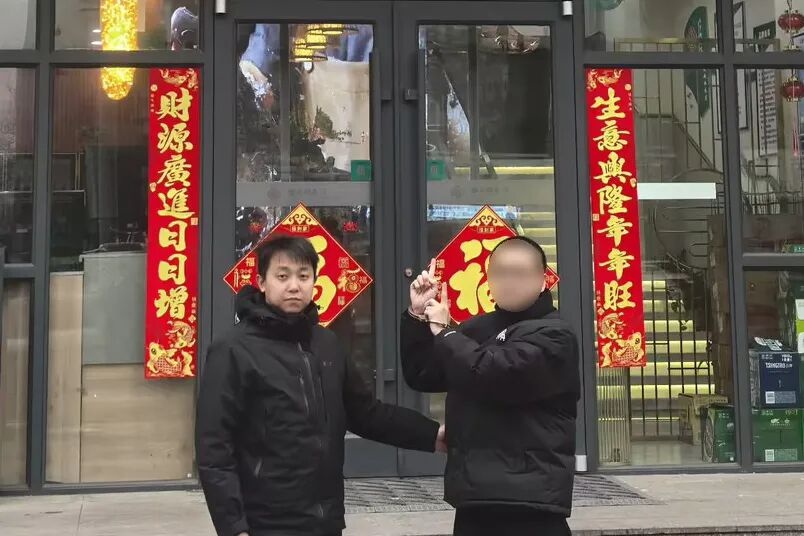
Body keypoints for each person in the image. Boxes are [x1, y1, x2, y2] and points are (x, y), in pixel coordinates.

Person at [197, 235, 445, 536]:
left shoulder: (326, 343)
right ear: (261, 282)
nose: (294, 286)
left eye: (303, 276)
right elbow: (215, 449)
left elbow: (366, 414)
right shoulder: (233, 349)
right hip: (264, 520)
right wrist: (234, 527)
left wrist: (434, 435)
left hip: (325, 518)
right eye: (282, 276)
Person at [400, 236, 580, 536]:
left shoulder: (555, 335)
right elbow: (423, 374)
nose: (509, 282)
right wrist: (417, 316)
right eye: (500, 273)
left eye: (520, 274)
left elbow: (496, 374)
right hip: (474, 494)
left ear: (543, 280)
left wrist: (445, 333)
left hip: (530, 498)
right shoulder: (476, 329)